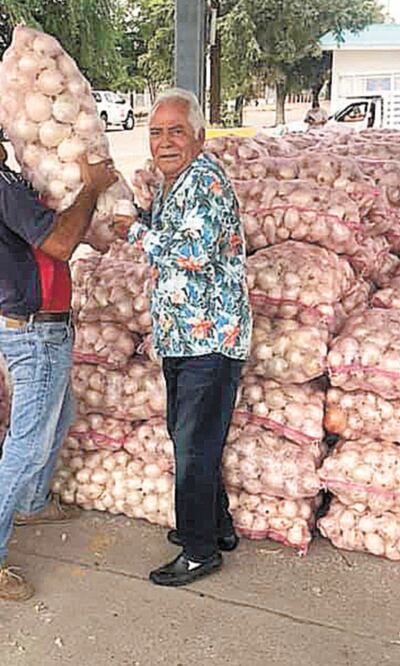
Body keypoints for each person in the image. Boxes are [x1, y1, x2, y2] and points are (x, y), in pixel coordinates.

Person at [0, 107, 117, 601]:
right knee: (27, 446)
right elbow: (58, 241)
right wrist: (93, 187)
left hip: (40, 328)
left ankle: (33, 502)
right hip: (35, 333)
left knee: (59, 420)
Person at [121, 89, 252, 587]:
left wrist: (134, 232)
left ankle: (199, 551)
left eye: (176, 131)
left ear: (199, 135)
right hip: (182, 337)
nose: (165, 141)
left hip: (209, 339)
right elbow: (171, 232)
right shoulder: (175, 183)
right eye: (156, 132)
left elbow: (192, 252)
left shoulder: (205, 181)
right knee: (192, 437)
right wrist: (136, 213)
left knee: (193, 447)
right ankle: (215, 527)